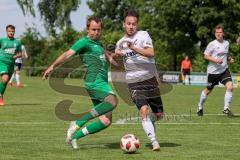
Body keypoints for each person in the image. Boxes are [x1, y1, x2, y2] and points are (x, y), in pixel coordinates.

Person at [43, 16, 118, 149]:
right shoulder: (83, 42)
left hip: (101, 82)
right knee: (112, 101)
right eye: (93, 29)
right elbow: (67, 54)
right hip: (94, 82)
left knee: (106, 121)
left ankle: (74, 138)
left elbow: (109, 57)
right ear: (87, 29)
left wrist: (117, 58)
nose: (96, 32)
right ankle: (78, 121)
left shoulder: (99, 45)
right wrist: (52, 66)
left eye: (98, 30)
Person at [115, 10, 164, 151]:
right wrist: (115, 55)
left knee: (159, 115)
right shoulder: (120, 43)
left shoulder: (143, 35)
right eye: (128, 24)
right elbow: (118, 62)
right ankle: (154, 142)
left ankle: (150, 122)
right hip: (133, 82)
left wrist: (133, 48)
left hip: (150, 79)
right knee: (144, 110)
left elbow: (151, 53)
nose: (131, 26)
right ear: (124, 24)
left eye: (134, 24)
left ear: (137, 25)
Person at [197, 25, 234, 116]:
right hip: (213, 73)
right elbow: (205, 56)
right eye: (217, 32)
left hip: (224, 71)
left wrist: (229, 59)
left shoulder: (227, 43)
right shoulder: (212, 44)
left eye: (220, 32)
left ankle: (226, 108)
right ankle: (200, 106)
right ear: (215, 34)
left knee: (230, 87)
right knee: (208, 90)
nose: (218, 34)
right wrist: (216, 60)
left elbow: (226, 54)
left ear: (223, 33)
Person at [0, 25, 22, 106]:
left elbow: (20, 53)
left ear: (14, 32)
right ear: (7, 31)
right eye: (9, 31)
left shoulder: (17, 42)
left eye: (12, 31)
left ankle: (1, 95)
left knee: (5, 82)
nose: (11, 33)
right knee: (5, 79)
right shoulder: (2, 40)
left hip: (11, 64)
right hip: (2, 62)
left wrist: (16, 56)